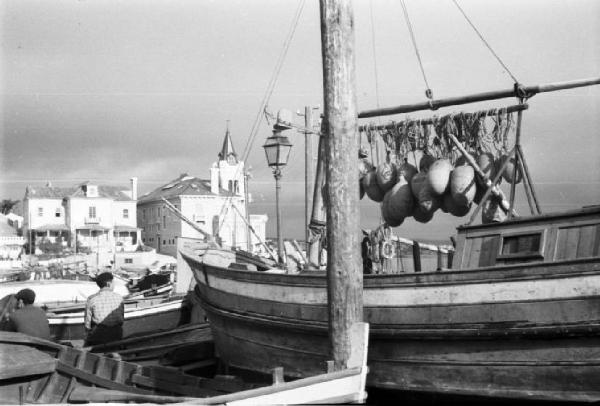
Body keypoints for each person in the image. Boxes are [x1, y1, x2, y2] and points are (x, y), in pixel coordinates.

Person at [84, 272, 124, 346]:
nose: (114, 285)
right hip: (116, 335)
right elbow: (122, 319)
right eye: (113, 283)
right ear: (109, 284)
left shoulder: (91, 299)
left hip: (99, 336)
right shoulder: (119, 298)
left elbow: (87, 324)